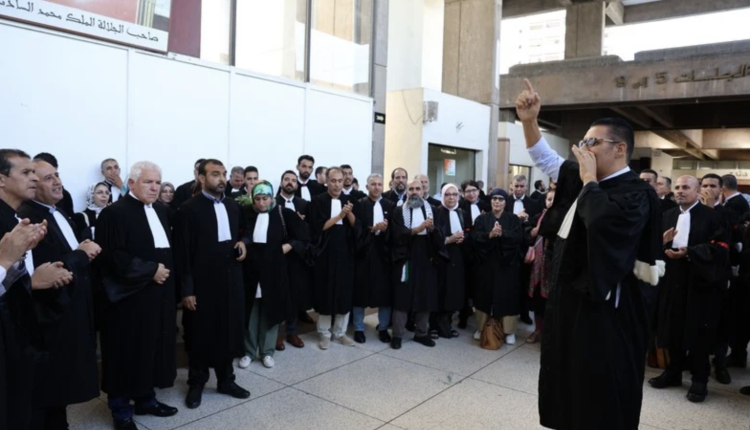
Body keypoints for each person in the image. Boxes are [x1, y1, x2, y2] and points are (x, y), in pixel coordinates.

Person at [517, 79, 663, 430]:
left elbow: (603, 224)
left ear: (620, 149)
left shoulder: (636, 193)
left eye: (592, 142)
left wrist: (589, 181)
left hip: (606, 312)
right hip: (569, 301)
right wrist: (529, 121)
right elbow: (545, 158)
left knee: (598, 387)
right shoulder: (583, 178)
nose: (583, 150)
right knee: (567, 379)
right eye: (582, 142)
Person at [19, 158, 102, 430]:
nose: (57, 182)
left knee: (61, 388)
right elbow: (46, 271)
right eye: (48, 178)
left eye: (57, 175)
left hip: (71, 308)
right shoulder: (29, 218)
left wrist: (80, 251)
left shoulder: (58, 212)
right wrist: (81, 254)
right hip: (51, 315)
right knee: (47, 388)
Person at [96, 161, 178, 430]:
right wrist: (151, 270)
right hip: (128, 299)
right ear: (131, 183)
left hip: (158, 296)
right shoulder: (113, 213)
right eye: (148, 182)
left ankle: (145, 399)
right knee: (124, 351)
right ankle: (120, 409)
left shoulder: (162, 211)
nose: (155, 187)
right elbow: (112, 256)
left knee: (149, 348)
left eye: (158, 182)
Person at [0, 149, 73, 430]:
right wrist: (32, 280)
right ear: (2, 180)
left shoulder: (16, 219)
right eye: (26, 172)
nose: (34, 178)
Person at [174, 159, 250, 409]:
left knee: (228, 330)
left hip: (230, 281)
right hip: (202, 284)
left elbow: (243, 232)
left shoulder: (232, 205)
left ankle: (226, 380)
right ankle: (197, 383)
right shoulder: (188, 209)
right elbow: (183, 253)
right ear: (201, 178)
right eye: (215, 174)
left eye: (223, 174)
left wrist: (244, 243)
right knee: (200, 333)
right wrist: (187, 289)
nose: (222, 179)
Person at [650, 176, 729, 403]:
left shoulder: (712, 217)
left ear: (697, 191)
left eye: (685, 187)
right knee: (672, 326)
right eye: (677, 187)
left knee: (698, 331)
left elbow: (721, 248)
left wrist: (690, 252)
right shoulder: (667, 215)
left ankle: (699, 380)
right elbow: (653, 246)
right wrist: (662, 242)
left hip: (700, 282)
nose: (680, 191)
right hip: (672, 279)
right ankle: (673, 372)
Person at [240, 181, 308, 369]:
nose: (261, 203)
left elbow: (302, 236)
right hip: (251, 271)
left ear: (271, 197)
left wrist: (287, 247)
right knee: (251, 312)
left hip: (274, 270)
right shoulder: (246, 213)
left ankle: (267, 352)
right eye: (257, 199)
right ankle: (248, 351)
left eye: (265, 198)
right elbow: (244, 234)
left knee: (271, 310)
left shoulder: (283, 213)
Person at [389, 179, 447, 349]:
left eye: (418, 189)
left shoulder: (433, 211)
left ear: (423, 191)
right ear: (407, 192)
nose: (414, 192)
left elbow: (441, 235)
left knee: (425, 296)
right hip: (405, 259)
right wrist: (416, 229)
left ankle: (421, 333)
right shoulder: (398, 211)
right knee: (402, 298)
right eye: (411, 189)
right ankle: (397, 335)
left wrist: (432, 229)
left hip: (427, 259)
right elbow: (395, 234)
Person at [308, 167, 358, 349]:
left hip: (345, 254)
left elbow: (357, 227)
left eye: (340, 181)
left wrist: (349, 213)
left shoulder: (350, 200)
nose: (337, 185)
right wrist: (340, 215)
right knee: (326, 293)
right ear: (327, 182)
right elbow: (318, 227)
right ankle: (324, 333)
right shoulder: (318, 201)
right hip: (325, 254)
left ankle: (340, 333)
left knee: (344, 293)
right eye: (333, 181)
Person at [471, 188, 523, 345]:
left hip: (507, 265)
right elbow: (475, 237)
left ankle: (509, 331)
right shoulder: (481, 219)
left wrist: (502, 234)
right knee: (483, 295)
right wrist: (490, 235)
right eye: (494, 198)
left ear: (505, 202)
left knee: (508, 296)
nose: (497, 202)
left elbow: (518, 238)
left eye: (501, 199)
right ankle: (481, 328)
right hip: (486, 264)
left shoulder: (513, 219)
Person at [352, 174, 394, 344]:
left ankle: (383, 328)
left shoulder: (390, 205)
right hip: (363, 254)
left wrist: (386, 230)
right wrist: (372, 229)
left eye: (379, 184)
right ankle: (358, 328)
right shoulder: (359, 205)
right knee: (360, 293)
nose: (377, 187)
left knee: (384, 294)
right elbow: (355, 229)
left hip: (383, 255)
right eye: (373, 184)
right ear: (367, 186)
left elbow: (396, 230)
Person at [274, 170, 314, 349]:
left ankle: (292, 332)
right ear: (281, 183)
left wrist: (300, 223)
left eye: (293, 180)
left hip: (297, 255)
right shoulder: (272, 202)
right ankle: (275, 334)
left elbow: (309, 231)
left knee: (294, 294)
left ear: (297, 185)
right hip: (278, 254)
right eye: (286, 179)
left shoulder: (303, 204)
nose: (290, 182)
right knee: (277, 293)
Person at [431, 183, 466, 339]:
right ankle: (435, 326)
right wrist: (449, 239)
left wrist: (463, 238)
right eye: (447, 194)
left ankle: (447, 324)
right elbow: (433, 237)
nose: (451, 197)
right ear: (442, 196)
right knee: (439, 292)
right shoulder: (436, 212)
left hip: (457, 257)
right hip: (441, 258)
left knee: (453, 292)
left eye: (454, 194)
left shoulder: (461, 213)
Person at [507, 174, 542, 326]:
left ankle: (524, 312)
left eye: (522, 186)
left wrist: (527, 220)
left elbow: (536, 222)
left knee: (525, 280)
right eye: (516, 186)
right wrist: (516, 217)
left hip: (526, 246)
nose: (519, 189)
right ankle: (508, 311)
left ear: (526, 187)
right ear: (511, 186)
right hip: (508, 247)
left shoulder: (533, 203)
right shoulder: (505, 201)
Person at [457, 180, 489, 329]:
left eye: (473, 190)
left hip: (482, 249)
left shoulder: (486, 206)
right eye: (468, 191)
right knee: (465, 283)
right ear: (463, 193)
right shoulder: (459, 207)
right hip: (465, 249)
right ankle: (463, 315)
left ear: (478, 191)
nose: (471, 194)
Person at [526, 189, 555, 344]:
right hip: (538, 267)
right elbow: (526, 233)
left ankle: (550, 335)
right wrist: (533, 231)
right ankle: (538, 330)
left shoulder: (565, 218)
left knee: (553, 302)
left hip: (554, 268)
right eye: (549, 199)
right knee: (539, 301)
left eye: (554, 199)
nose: (551, 202)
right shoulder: (539, 217)